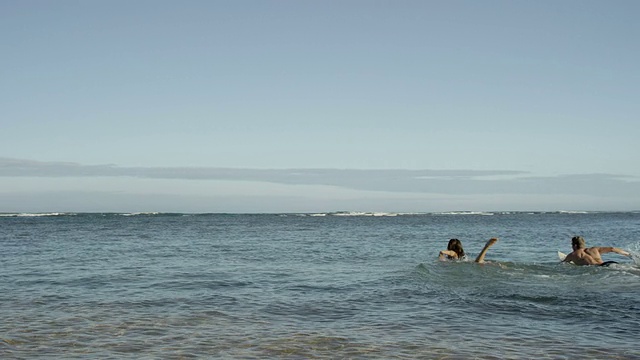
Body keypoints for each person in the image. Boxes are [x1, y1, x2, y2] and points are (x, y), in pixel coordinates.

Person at [562, 236, 631, 266]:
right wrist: (628, 254)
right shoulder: (594, 249)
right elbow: (612, 248)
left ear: (575, 246)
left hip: (597, 268)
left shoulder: (573, 254)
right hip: (609, 263)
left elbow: (563, 263)